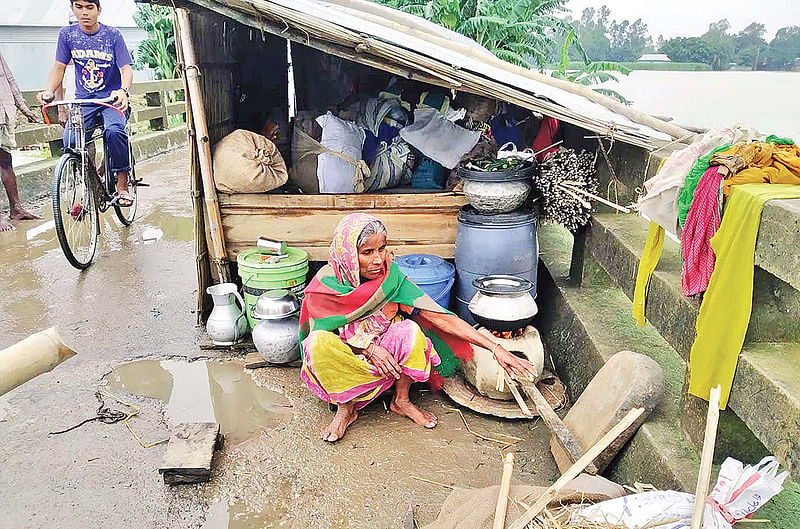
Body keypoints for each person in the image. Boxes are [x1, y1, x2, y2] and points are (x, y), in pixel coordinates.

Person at [299, 213, 538, 442]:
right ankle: (346, 407)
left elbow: (440, 317)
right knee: (317, 343)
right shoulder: (324, 285)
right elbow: (322, 334)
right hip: (349, 354)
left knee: (410, 331)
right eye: (367, 252)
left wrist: (496, 349)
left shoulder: (391, 277)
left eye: (382, 249)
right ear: (348, 255)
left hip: (386, 355)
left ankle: (400, 401)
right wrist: (368, 349)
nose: (378, 260)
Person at [38, 0, 134, 207]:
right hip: (85, 102)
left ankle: (122, 184)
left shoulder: (113, 35)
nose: (84, 12)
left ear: (98, 10)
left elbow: (126, 68)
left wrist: (123, 90)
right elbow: (59, 68)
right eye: (79, 7)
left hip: (111, 100)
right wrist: (48, 91)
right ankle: (89, 182)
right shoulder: (67, 35)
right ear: (72, 8)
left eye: (89, 7)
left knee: (115, 131)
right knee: (71, 141)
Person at [0, 50, 41, 232]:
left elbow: (9, 78)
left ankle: (16, 208)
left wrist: (23, 108)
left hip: (4, 113)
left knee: (6, 161)